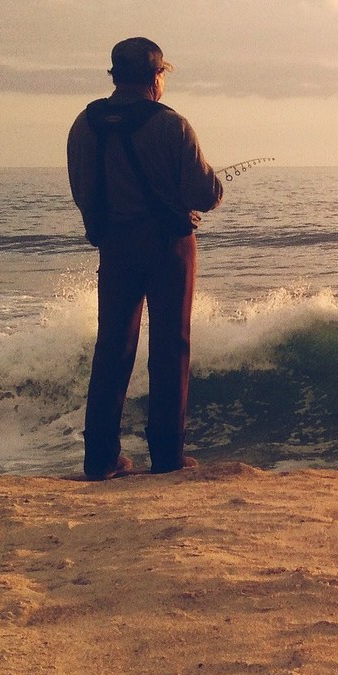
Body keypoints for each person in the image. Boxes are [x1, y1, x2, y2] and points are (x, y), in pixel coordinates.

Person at [67, 37, 224, 481]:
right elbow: (205, 194)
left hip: (114, 247)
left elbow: (82, 190)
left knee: (112, 349)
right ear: (156, 77)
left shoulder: (85, 124)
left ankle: (100, 458)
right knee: (170, 347)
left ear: (115, 77)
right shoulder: (171, 125)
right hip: (168, 248)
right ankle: (168, 456)